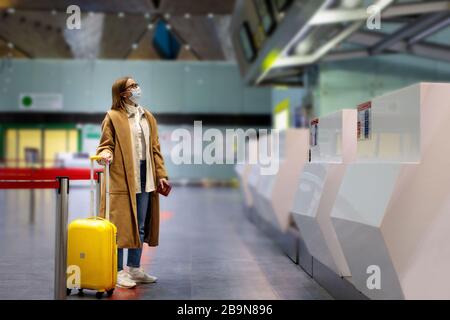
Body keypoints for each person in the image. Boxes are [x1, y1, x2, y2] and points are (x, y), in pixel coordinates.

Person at [96, 76, 169, 289]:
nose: (137, 88)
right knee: (119, 226)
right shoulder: (113, 117)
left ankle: (134, 268)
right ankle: (118, 271)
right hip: (122, 176)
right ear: (122, 93)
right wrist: (106, 154)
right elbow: (105, 144)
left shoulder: (148, 117)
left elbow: (155, 149)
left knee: (141, 224)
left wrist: (161, 173)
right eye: (132, 86)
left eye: (136, 84)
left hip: (146, 175)